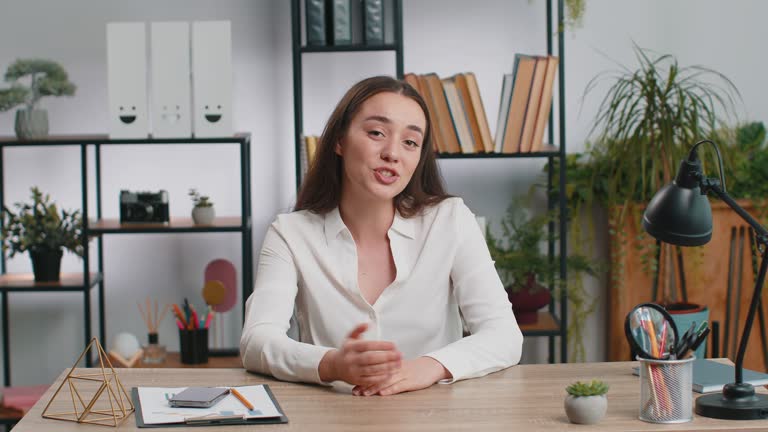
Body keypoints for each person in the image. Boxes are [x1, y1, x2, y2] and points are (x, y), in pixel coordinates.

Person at [240, 75, 523, 396]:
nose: (392, 153)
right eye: (376, 133)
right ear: (339, 141)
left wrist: (425, 368)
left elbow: (504, 335)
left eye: (410, 142)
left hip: (435, 417)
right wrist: (331, 364)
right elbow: (256, 341)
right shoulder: (290, 234)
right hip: (332, 417)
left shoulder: (451, 219)